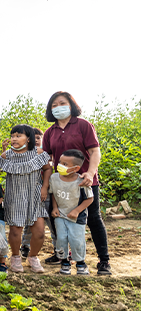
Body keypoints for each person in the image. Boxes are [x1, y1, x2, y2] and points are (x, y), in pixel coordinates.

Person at [42, 91, 111, 275]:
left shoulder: (83, 125)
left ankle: (104, 260)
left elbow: (95, 152)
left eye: (62, 103)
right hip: (60, 184)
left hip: (84, 182)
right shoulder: (50, 132)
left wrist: (90, 172)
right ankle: (63, 256)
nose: (58, 107)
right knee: (59, 219)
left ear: (71, 105)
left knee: (94, 219)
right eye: (54, 105)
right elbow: (47, 159)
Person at [0, 124, 52, 273]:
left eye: (18, 136)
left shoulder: (38, 153)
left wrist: (45, 187)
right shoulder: (8, 155)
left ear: (28, 138)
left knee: (39, 232)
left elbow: (47, 168)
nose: (14, 138)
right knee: (15, 230)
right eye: (13, 136)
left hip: (35, 196)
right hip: (15, 196)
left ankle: (32, 257)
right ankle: (15, 257)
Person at [49, 149, 94, 276]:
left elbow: (90, 198)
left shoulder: (81, 181)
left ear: (76, 168)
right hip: (60, 215)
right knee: (61, 239)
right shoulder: (54, 178)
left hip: (76, 218)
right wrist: (54, 208)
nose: (60, 166)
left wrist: (77, 211)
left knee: (76, 240)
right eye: (60, 162)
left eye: (65, 164)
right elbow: (53, 194)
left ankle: (80, 263)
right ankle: (64, 263)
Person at [19, 128, 58, 262]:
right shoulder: (24, 154)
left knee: (52, 222)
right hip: (30, 193)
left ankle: (59, 250)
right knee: (30, 222)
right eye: (32, 138)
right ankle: (25, 246)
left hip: (46, 193)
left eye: (38, 138)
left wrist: (45, 188)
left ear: (42, 140)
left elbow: (49, 170)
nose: (35, 140)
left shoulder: (45, 155)